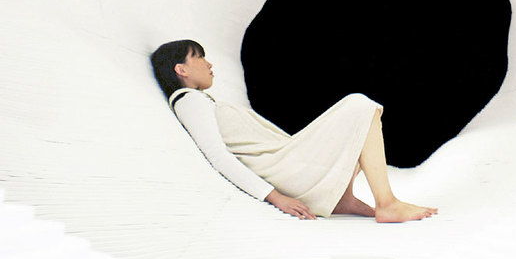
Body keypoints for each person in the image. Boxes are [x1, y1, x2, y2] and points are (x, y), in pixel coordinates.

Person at [150, 40, 437, 222]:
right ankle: (386, 203)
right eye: (199, 57)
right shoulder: (189, 101)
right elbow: (218, 156)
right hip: (285, 170)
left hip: (289, 162)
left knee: (361, 119)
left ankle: (344, 199)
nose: (209, 63)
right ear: (181, 70)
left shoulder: (201, 101)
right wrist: (275, 197)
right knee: (359, 105)